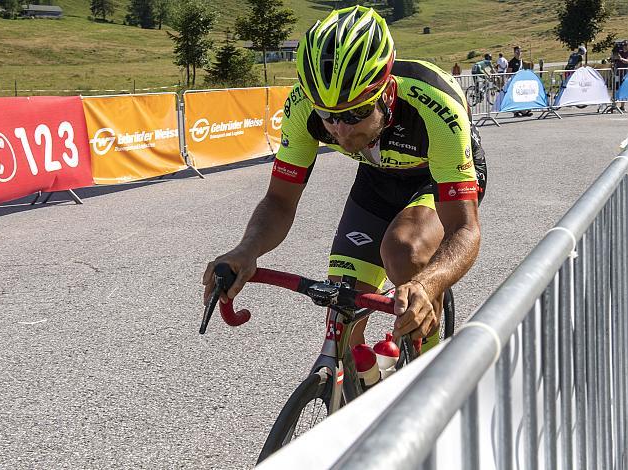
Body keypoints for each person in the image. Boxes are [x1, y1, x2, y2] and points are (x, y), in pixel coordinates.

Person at [202, 5, 486, 350]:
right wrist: (246, 250)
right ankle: (360, 382)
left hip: (434, 175)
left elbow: (464, 228)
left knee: (404, 251)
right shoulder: (303, 107)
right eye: (328, 115)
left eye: (354, 113)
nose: (340, 129)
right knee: (343, 309)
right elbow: (279, 200)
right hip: (378, 175)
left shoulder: (434, 104)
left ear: (387, 93)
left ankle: (433, 373)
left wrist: (429, 283)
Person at [506, 46, 532, 117]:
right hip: (514, 82)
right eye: (517, 51)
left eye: (520, 51)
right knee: (515, 97)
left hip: (520, 82)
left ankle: (524, 111)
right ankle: (516, 112)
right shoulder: (512, 62)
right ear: (514, 52)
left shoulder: (521, 61)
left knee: (522, 97)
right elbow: (508, 73)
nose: (519, 53)